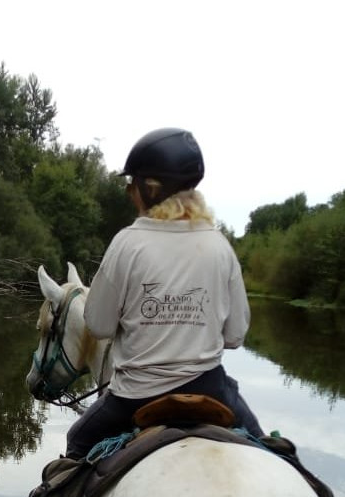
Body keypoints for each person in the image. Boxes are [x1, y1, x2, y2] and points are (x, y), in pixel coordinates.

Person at [66, 127, 264, 460]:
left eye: (132, 183)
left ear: (150, 188)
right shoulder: (219, 245)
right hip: (210, 390)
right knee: (271, 451)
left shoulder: (128, 243)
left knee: (77, 443)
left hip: (134, 397)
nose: (130, 192)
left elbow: (98, 326)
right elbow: (236, 335)